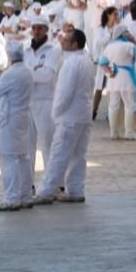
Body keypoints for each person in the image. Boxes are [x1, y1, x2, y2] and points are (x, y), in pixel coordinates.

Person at [32, 29, 94, 204]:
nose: (63, 42)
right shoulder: (87, 61)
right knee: (79, 155)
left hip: (69, 117)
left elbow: (64, 93)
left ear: (75, 44)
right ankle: (76, 190)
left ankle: (45, 192)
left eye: (66, 40)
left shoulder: (71, 63)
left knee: (58, 155)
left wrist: (56, 113)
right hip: (84, 115)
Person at [0, 40, 34, 211]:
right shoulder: (28, 72)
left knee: (8, 159)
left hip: (8, 120)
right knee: (23, 157)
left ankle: (12, 198)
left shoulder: (10, 74)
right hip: (23, 117)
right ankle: (26, 196)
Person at [24, 16, 63, 183]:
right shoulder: (26, 50)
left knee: (48, 143)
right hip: (28, 101)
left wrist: (27, 73)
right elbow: (21, 71)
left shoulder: (53, 50)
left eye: (40, 28)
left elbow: (47, 75)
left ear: (46, 29)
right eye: (34, 28)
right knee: (27, 145)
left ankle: (54, 183)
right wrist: (34, 71)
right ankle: (28, 184)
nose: (36, 31)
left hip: (46, 100)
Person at [101, 24, 136, 140]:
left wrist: (109, 73)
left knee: (113, 105)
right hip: (126, 77)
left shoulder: (108, 47)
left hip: (113, 77)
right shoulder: (127, 45)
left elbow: (102, 62)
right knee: (130, 104)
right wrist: (134, 40)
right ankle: (129, 132)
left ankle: (113, 132)